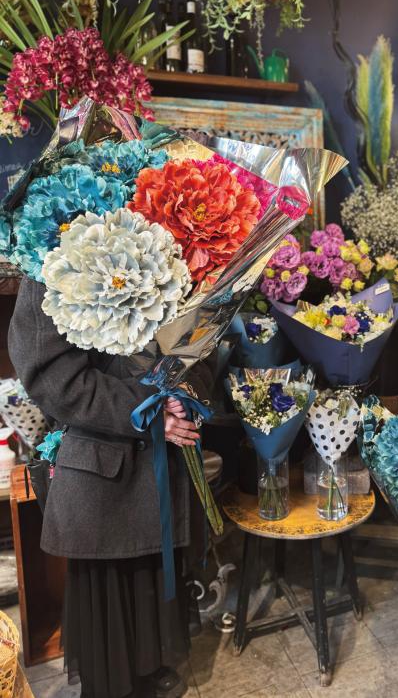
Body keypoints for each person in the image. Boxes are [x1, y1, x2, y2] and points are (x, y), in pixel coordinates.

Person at [9, 277, 212, 698]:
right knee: (108, 625)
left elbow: (203, 343)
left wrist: (185, 394)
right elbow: (53, 377)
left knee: (154, 601)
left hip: (164, 470)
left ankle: (150, 669)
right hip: (102, 479)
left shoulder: (173, 250)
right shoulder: (49, 264)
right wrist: (148, 410)